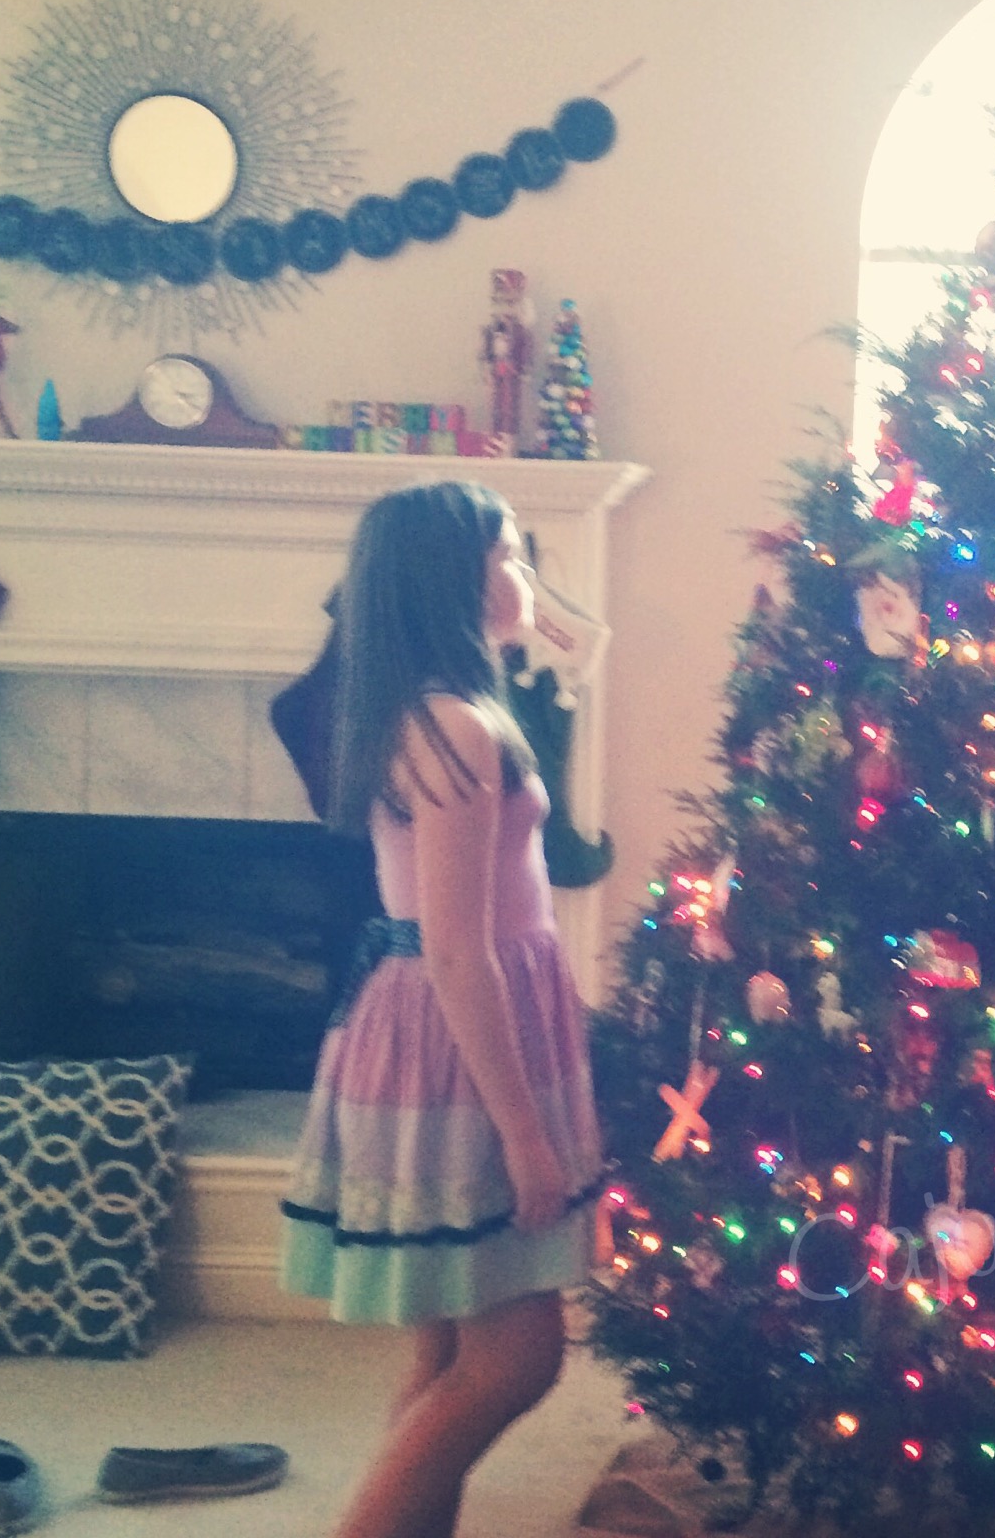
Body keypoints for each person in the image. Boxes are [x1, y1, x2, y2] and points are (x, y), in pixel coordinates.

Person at [279, 481, 602, 1538]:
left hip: (445, 1029)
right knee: (517, 1358)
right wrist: (525, 1136)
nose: (524, 577)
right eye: (508, 557)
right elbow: (458, 951)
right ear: (449, 580)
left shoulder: (431, 709)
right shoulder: (455, 729)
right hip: (458, 1049)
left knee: (449, 1349)